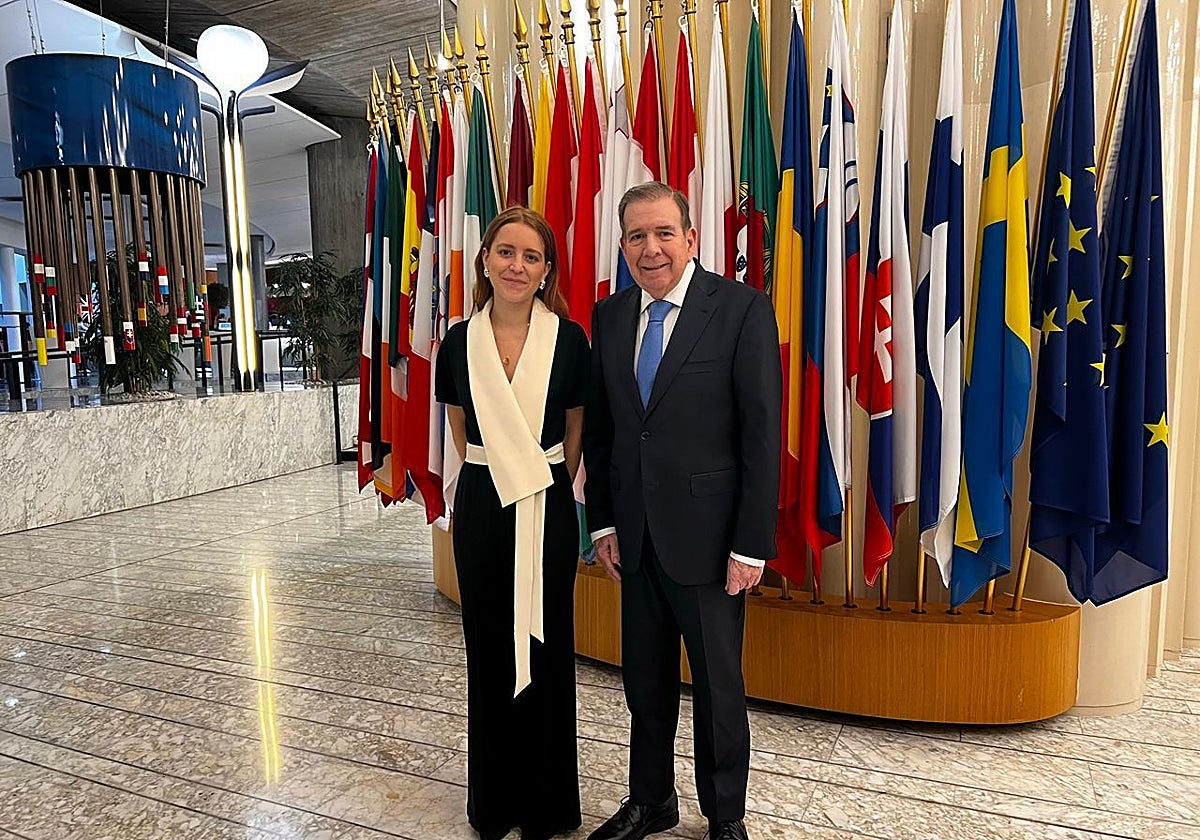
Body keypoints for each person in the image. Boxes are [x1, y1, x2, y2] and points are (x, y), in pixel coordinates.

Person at [583, 183, 782, 840]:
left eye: (664, 233)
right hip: (635, 541)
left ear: (692, 239)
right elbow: (610, 434)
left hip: (712, 545)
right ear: (622, 245)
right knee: (645, 685)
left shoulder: (742, 310)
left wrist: (751, 544)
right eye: (637, 236)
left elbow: (760, 433)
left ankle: (725, 815)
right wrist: (604, 524)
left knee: (720, 692)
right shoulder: (608, 317)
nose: (651, 248)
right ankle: (651, 801)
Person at [435, 207, 589, 840]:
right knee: (488, 647)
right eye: (505, 252)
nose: (517, 265)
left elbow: (576, 430)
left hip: (546, 502)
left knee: (549, 651)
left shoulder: (571, 339)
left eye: (531, 256)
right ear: (485, 261)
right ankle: (493, 803)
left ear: (547, 268)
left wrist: (539, 479)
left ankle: (548, 805)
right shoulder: (456, 340)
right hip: (482, 504)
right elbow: (460, 429)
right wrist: (507, 472)